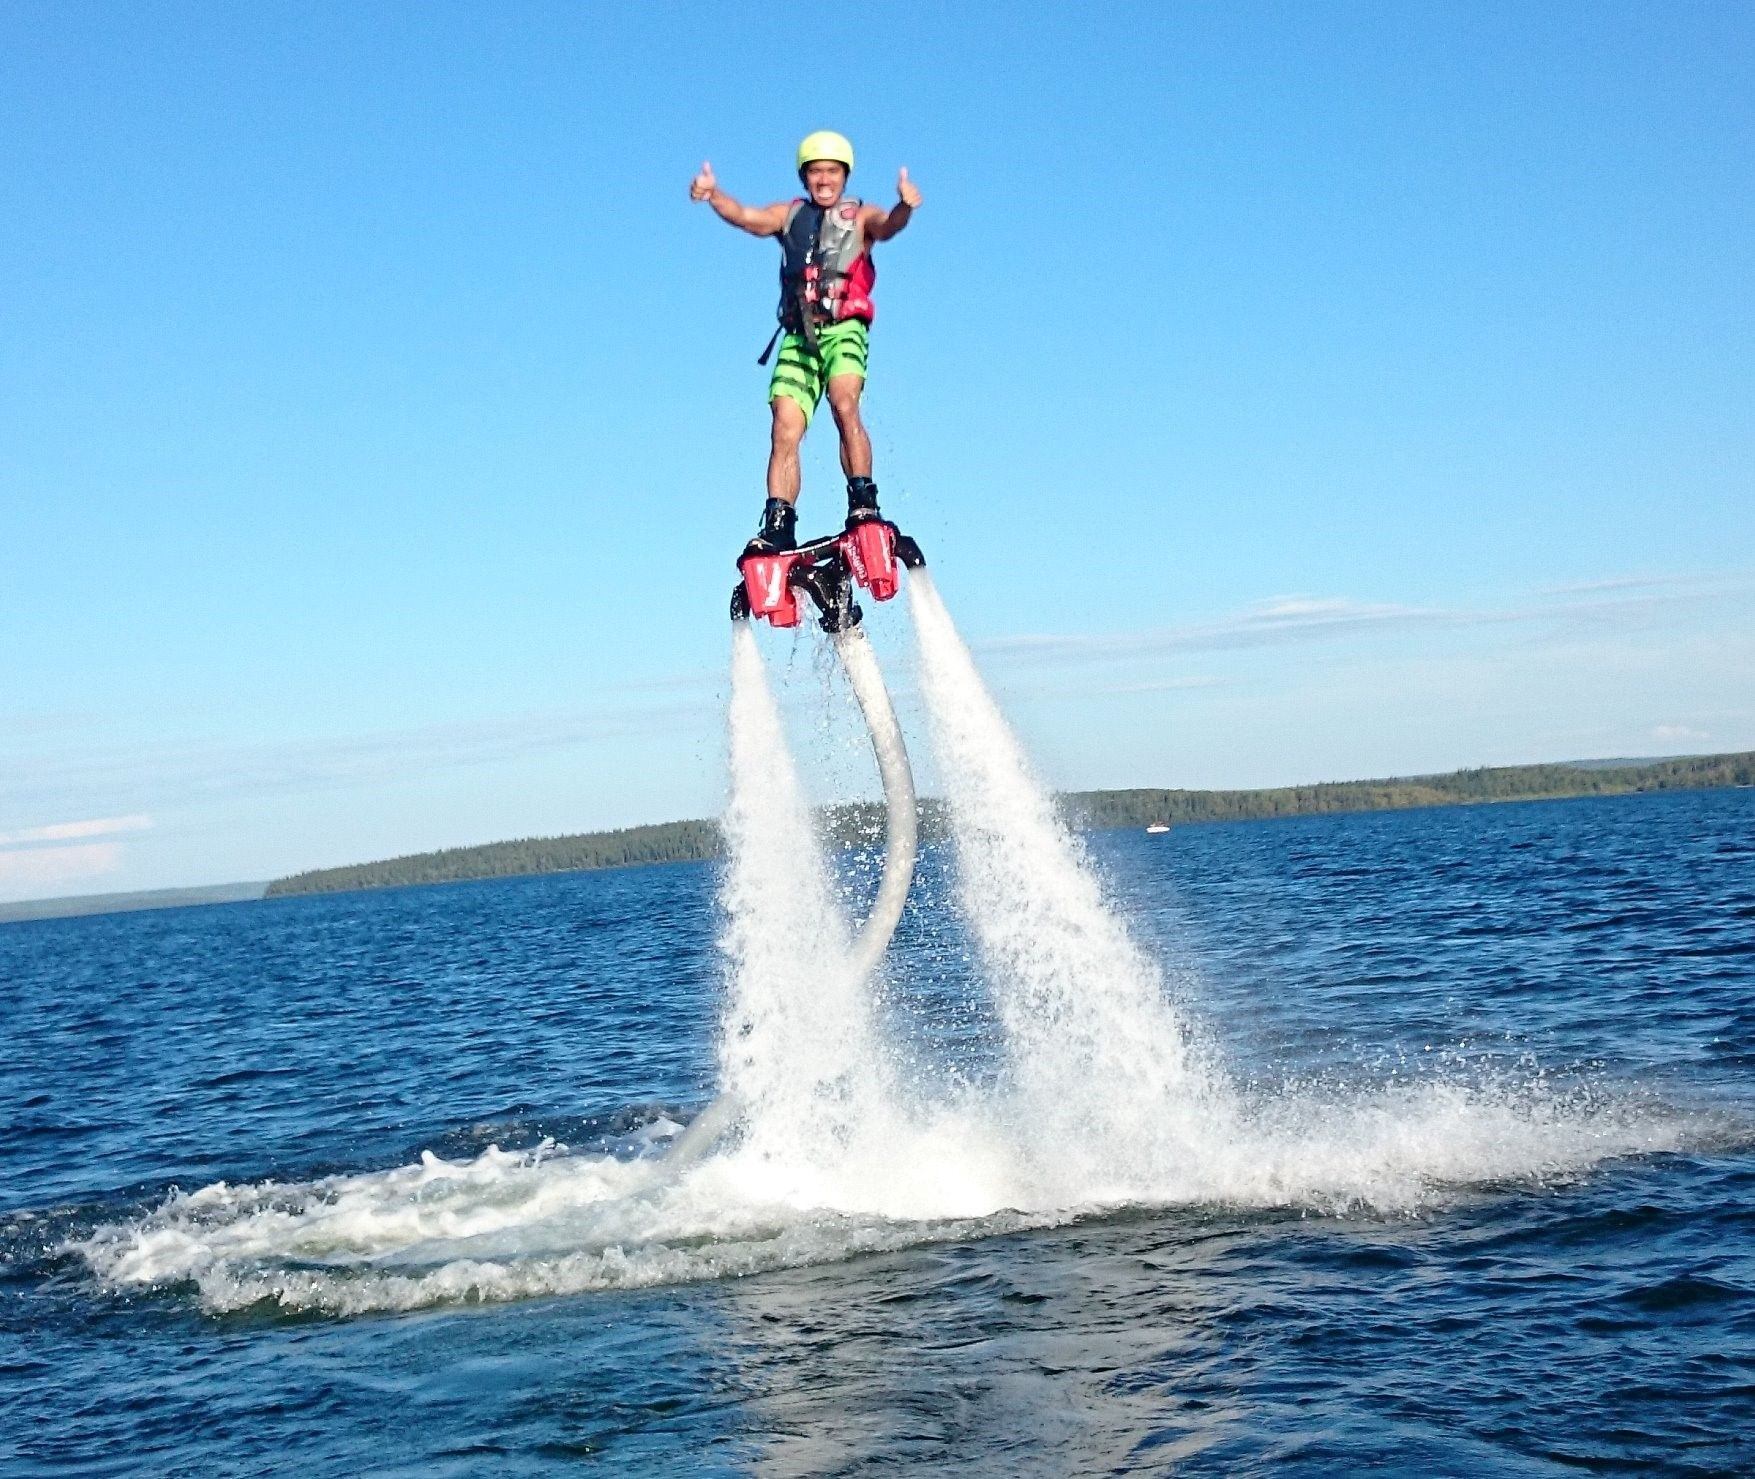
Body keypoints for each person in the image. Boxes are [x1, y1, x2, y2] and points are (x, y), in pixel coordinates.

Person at [690, 131, 922, 555]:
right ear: (805, 176)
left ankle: (863, 500)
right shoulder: (788, 215)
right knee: (784, 425)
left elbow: (887, 227)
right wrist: (713, 195)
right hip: (799, 336)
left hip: (843, 329)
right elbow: (746, 216)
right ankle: (780, 520)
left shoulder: (860, 215)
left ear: (844, 175)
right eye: (816, 171)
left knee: (844, 401)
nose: (824, 179)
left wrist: (905, 206)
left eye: (832, 171)